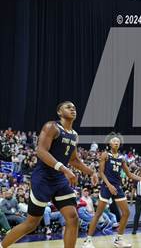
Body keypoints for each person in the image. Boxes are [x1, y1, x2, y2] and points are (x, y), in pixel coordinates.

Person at [1, 101, 99, 248]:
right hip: (43, 178)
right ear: (59, 112)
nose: (72, 109)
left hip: (59, 180)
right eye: (68, 107)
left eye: (74, 107)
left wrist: (92, 172)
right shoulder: (52, 126)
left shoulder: (74, 135)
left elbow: (73, 160)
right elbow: (40, 151)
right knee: (31, 224)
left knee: (73, 218)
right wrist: (64, 169)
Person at [82, 133, 141, 248]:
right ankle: (88, 241)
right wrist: (109, 185)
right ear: (109, 143)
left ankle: (119, 239)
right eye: (114, 141)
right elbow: (101, 172)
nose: (116, 142)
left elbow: (129, 174)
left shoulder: (121, 158)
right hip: (106, 186)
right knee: (98, 213)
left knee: (126, 213)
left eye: (118, 141)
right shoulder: (106, 155)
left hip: (117, 186)